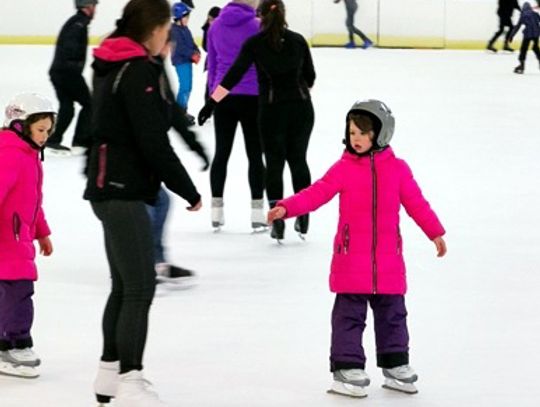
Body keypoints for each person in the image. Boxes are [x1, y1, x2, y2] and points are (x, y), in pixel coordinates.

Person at [267, 100, 447, 398]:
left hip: (388, 260)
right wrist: (286, 208)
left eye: (364, 132)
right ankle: (346, 366)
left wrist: (435, 232)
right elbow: (316, 193)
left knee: (393, 315)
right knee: (349, 315)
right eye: (352, 132)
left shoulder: (398, 170)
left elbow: (417, 203)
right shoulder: (343, 169)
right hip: (351, 259)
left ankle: (395, 364)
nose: (357, 138)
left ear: (382, 133)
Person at [83, 0, 202, 405]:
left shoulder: (114, 61)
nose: (168, 38)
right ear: (152, 30)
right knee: (139, 286)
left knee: (123, 285)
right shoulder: (138, 71)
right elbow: (153, 141)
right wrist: (188, 188)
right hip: (122, 188)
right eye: (167, 30)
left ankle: (107, 376)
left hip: (108, 186)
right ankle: (131, 380)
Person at [199, 0, 316, 240]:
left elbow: (232, 76)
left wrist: (211, 103)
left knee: (274, 164)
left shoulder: (255, 44)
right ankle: (303, 216)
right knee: (298, 161)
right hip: (301, 109)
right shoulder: (298, 40)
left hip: (271, 110)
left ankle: (277, 220)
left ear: (260, 16)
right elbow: (310, 76)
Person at [0, 93, 55, 379]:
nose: (45, 136)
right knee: (19, 293)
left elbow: (32, 201)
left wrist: (42, 232)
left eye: (48, 130)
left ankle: (9, 341)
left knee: (13, 293)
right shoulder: (10, 154)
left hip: (19, 237)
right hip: (6, 241)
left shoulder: (28, 155)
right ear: (21, 126)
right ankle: (14, 343)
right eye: (40, 130)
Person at [149, 40, 210, 283]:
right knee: (152, 203)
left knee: (160, 201)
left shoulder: (155, 67)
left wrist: (195, 146)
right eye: (167, 41)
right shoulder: (143, 71)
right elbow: (158, 146)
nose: (170, 46)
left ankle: (154, 261)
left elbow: (172, 111)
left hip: (142, 159)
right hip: (127, 162)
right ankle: (143, 263)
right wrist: (189, 191)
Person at [205, 0, 266, 231]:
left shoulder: (216, 25)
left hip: (223, 96)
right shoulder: (257, 25)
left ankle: (216, 210)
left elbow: (212, 63)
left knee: (222, 152)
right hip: (253, 95)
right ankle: (257, 212)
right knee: (254, 154)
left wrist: (212, 97)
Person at [48, 0, 98, 156]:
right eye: (94, 6)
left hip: (58, 71)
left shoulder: (76, 21)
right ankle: (81, 142)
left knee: (67, 107)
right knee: (89, 104)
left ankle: (53, 140)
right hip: (67, 72)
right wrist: (74, 64)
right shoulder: (79, 23)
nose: (95, 10)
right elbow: (71, 44)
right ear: (88, 7)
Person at [171, 2, 201, 125]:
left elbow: (191, 42)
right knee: (185, 87)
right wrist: (192, 54)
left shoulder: (185, 29)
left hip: (187, 61)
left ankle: (182, 112)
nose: (188, 19)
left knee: (187, 87)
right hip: (181, 62)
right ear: (179, 17)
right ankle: (178, 114)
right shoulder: (175, 31)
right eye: (186, 17)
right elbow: (180, 48)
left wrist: (196, 50)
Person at [509, 1, 540, 74]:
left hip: (528, 34)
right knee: (535, 48)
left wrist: (511, 36)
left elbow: (517, 27)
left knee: (523, 49)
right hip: (536, 33)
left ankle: (521, 66)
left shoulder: (523, 15)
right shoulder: (535, 14)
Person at [201, 6, 221, 101]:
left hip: (221, 63)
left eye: (213, 19)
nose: (210, 22)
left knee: (220, 85)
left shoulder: (222, 30)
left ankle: (215, 103)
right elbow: (205, 46)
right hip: (212, 62)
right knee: (210, 84)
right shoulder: (207, 29)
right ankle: (209, 102)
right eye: (209, 19)